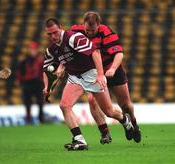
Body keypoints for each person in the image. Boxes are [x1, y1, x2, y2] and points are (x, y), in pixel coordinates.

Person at [43, 17, 134, 151]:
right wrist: (47, 86)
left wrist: (101, 74)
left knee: (109, 111)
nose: (53, 36)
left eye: (55, 32)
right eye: (49, 34)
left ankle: (125, 119)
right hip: (75, 77)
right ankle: (80, 140)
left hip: (91, 75)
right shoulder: (51, 50)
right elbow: (45, 69)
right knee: (64, 106)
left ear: (61, 28)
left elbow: (95, 52)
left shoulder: (74, 38)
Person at [70, 11, 141, 143]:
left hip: (111, 69)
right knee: (92, 99)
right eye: (87, 30)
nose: (90, 33)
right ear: (83, 25)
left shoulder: (107, 32)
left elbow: (119, 54)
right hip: (95, 73)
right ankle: (105, 133)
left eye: (93, 30)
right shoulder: (75, 31)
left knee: (125, 104)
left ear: (99, 25)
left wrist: (113, 68)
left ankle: (134, 125)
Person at [16, 41, 44, 124]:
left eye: (34, 49)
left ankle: (41, 119)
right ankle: (28, 120)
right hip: (27, 84)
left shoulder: (40, 61)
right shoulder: (24, 62)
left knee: (40, 103)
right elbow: (19, 74)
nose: (33, 51)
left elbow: (43, 73)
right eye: (32, 49)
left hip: (38, 84)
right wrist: (22, 83)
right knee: (27, 103)